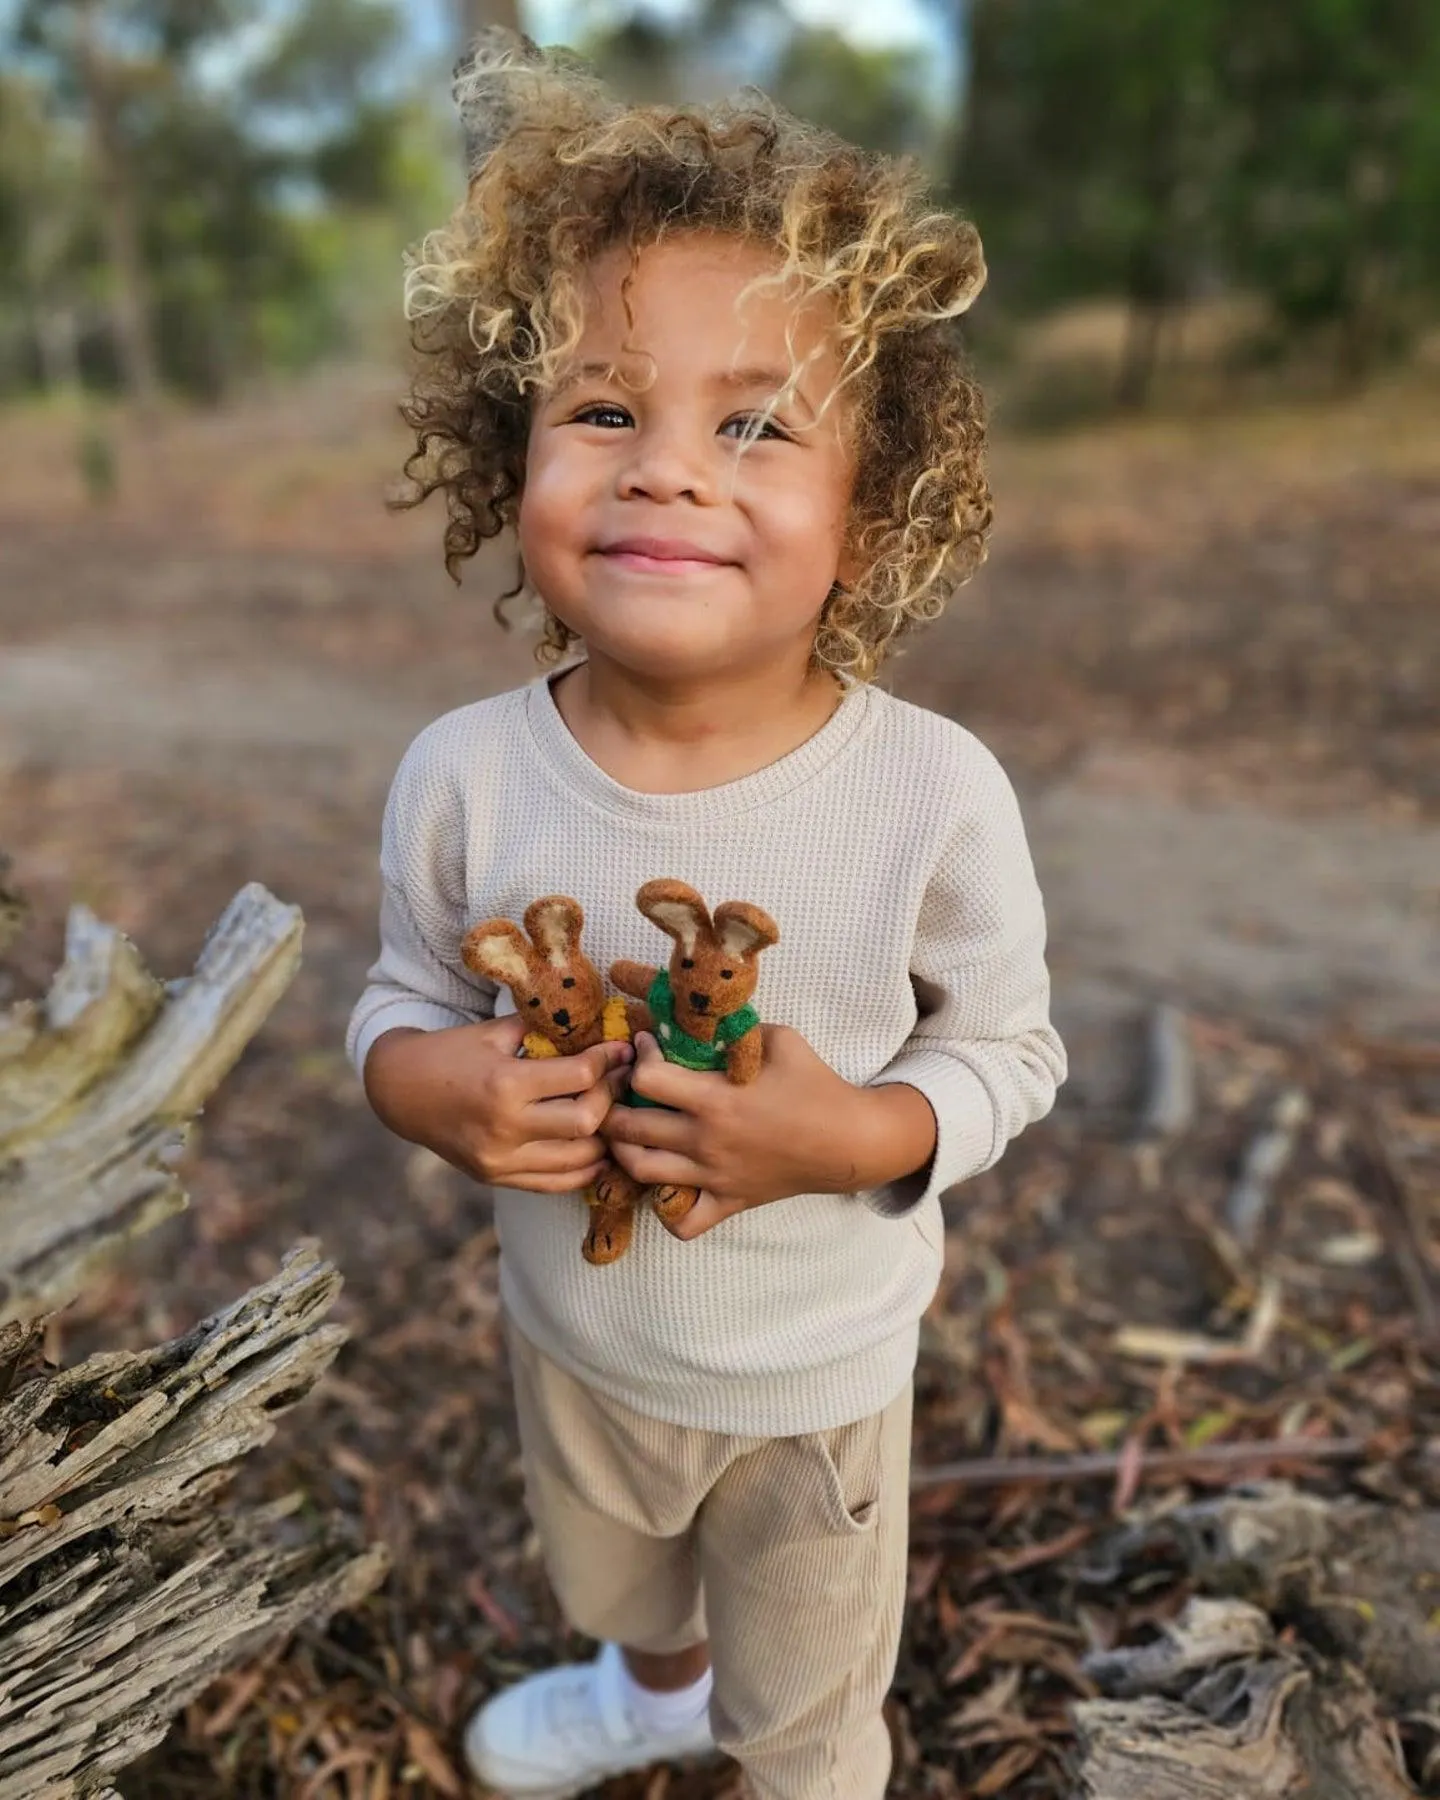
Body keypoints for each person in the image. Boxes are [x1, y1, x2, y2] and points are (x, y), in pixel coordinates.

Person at [347, 30, 1066, 1800]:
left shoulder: (930, 792)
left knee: (808, 1716)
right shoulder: (464, 775)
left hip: (818, 1378)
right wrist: (429, 1090)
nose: (666, 468)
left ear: (868, 510)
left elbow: (1013, 1048)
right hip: (574, 1342)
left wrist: (868, 1129)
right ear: (505, 453)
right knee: (624, 1584)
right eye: (605, 410)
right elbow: (394, 1001)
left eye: (756, 425)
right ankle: (651, 1688)